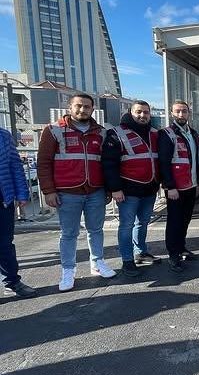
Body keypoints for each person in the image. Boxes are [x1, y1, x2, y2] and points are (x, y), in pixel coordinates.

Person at [37, 94, 117, 291]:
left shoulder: (102, 132)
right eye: (78, 106)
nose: (83, 110)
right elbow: (44, 163)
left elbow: (106, 164)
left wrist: (107, 189)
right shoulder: (53, 130)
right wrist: (48, 191)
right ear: (70, 107)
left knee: (96, 230)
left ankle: (97, 263)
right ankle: (68, 270)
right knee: (69, 233)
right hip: (67, 192)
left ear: (92, 109)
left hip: (95, 191)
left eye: (87, 107)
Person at [101, 100, 161, 277]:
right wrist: (115, 189)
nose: (143, 115)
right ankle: (127, 260)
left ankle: (140, 252)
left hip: (149, 189)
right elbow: (109, 164)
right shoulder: (116, 133)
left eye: (146, 112)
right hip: (128, 190)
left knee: (142, 223)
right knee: (126, 225)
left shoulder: (155, 134)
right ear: (130, 113)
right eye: (139, 112)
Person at [158, 100, 199, 273]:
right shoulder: (167, 134)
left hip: (190, 185)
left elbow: (196, 160)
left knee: (185, 219)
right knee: (174, 221)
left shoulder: (193, 133)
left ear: (189, 113)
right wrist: (170, 187)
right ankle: (173, 254)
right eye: (178, 111)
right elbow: (164, 162)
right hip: (176, 187)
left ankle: (182, 247)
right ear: (172, 113)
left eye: (184, 111)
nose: (181, 114)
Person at [0, 127, 36, 298]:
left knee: (5, 245)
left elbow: (15, 166)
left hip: (3, 200)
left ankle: (12, 282)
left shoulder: (3, 135)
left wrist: (22, 193)